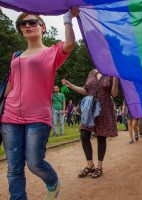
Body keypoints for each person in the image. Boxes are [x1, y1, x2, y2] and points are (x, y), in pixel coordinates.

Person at [0, 9, 77, 200]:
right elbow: (10, 85)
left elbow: (69, 43)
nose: (27, 26)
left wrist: (68, 18)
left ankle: (53, 182)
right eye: (22, 24)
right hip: (10, 115)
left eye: (32, 22)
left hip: (38, 117)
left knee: (34, 162)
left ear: (42, 27)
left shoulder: (52, 53)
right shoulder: (16, 56)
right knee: (14, 167)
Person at [62, 69, 118, 179]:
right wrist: (71, 85)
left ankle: (99, 167)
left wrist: (115, 78)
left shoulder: (111, 72)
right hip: (89, 108)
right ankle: (90, 164)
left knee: (101, 136)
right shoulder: (92, 72)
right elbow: (86, 90)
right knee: (84, 134)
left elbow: (114, 94)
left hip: (104, 108)